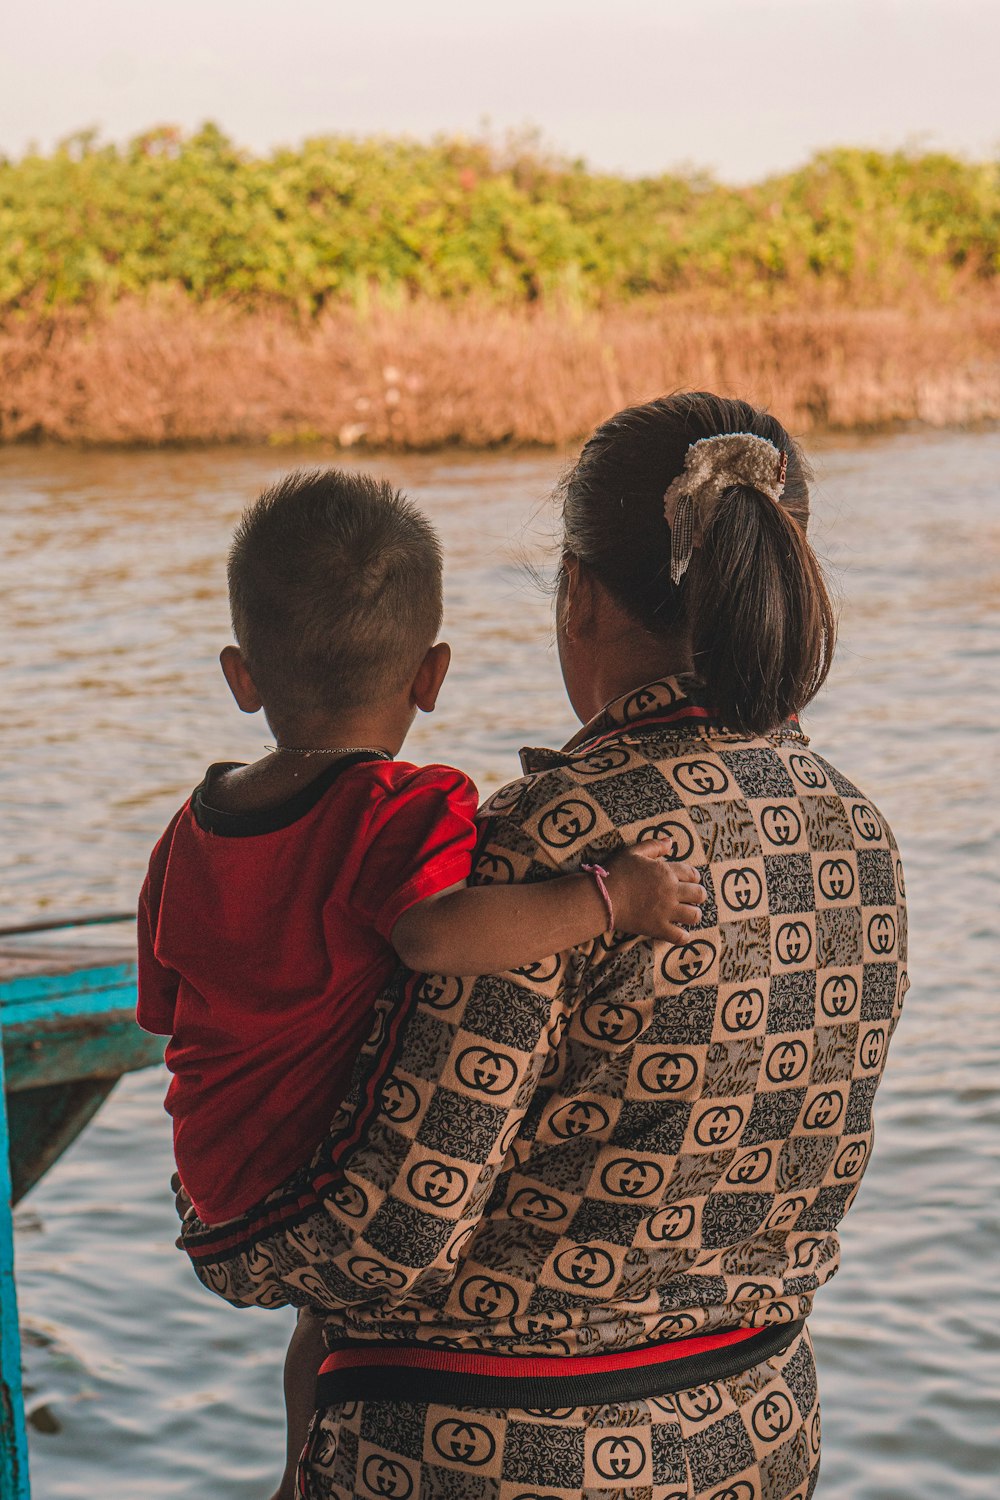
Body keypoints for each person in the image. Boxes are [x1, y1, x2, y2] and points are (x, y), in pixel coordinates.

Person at [177, 393, 908, 1500]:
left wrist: (224, 1226)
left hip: (491, 1453)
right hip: (754, 1433)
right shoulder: (857, 831)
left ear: (577, 594)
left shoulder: (551, 846)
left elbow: (395, 1229)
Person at [137, 470, 704, 1230]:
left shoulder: (186, 833)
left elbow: (163, 1010)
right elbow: (435, 934)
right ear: (430, 676)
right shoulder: (402, 806)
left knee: (324, 1331)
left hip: (209, 1172)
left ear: (242, 678)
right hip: (307, 1172)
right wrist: (611, 897)